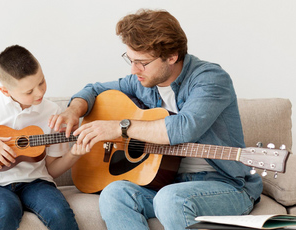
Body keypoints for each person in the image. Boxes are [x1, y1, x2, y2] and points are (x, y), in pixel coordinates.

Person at [48, 9, 263, 230]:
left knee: (170, 199)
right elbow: (93, 90)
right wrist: (74, 110)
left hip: (225, 184)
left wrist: (119, 128)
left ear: (172, 57)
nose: (134, 70)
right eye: (130, 60)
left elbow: (183, 128)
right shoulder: (142, 82)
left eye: (142, 62)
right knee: (114, 193)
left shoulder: (210, 79)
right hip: (169, 181)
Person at [0, 45, 88, 230]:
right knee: (6, 209)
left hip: (36, 182)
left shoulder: (53, 113)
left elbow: (52, 170)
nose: (39, 93)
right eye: (28, 92)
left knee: (59, 212)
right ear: (5, 91)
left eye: (41, 82)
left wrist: (74, 154)